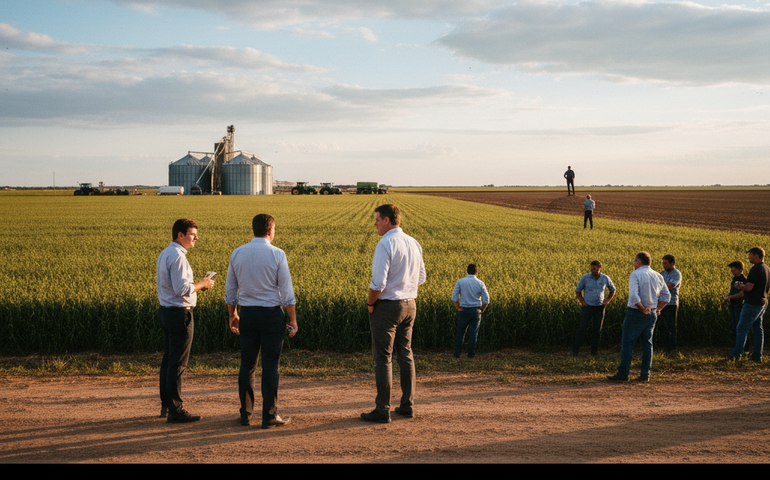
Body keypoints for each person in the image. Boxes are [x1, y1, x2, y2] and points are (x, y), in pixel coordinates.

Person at [225, 214, 298, 428]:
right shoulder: (277, 254)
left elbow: (230, 291)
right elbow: (286, 292)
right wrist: (292, 319)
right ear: (270, 230)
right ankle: (269, 416)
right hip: (272, 316)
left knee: (247, 364)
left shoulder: (237, 253)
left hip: (247, 315)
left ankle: (246, 414)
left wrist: (233, 314)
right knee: (270, 366)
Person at [362, 204, 426, 423]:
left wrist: (371, 304)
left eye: (377, 219)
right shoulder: (413, 242)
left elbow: (378, 283)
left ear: (387, 220)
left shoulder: (385, 243)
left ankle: (382, 409)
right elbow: (421, 278)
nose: (375, 223)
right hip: (410, 304)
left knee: (383, 358)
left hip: (388, 306)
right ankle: (407, 406)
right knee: (406, 354)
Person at [156, 218, 215, 423]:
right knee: (178, 363)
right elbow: (182, 290)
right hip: (180, 314)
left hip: (165, 311)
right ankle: (176, 410)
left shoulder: (165, 253)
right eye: (192, 234)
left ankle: (166, 404)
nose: (196, 238)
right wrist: (203, 284)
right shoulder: (179, 257)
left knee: (168, 360)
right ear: (180, 235)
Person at [607, 252, 670, 382]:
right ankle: (645, 375)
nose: (634, 263)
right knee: (647, 344)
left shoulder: (636, 274)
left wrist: (642, 309)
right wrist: (657, 309)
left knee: (627, 343)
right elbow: (667, 296)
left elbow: (634, 296)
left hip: (637, 312)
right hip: (652, 313)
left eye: (635, 261)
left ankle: (623, 373)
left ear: (639, 261)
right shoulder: (658, 275)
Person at [730, 247, 769, 362]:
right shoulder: (767, 268)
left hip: (752, 304)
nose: (749, 257)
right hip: (762, 302)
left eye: (750, 255)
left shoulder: (755, 269)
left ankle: (736, 355)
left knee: (741, 328)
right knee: (758, 329)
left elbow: (748, 287)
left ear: (756, 256)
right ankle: (757, 356)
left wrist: (739, 286)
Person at [572, 260, 616, 356]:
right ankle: (575, 352)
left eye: (595, 269)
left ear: (600, 268)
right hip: (587, 308)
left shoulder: (605, 278)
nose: (593, 270)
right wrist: (583, 302)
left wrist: (608, 299)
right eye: (592, 268)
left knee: (597, 331)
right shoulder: (585, 278)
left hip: (600, 308)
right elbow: (578, 291)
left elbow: (613, 289)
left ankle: (594, 353)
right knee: (582, 329)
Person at [452, 264, 490, 359]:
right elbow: (486, 299)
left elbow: (454, 297)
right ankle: (471, 355)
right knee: (473, 334)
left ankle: (457, 355)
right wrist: (482, 309)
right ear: (476, 272)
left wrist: (457, 307)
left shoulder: (460, 282)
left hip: (463, 310)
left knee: (460, 333)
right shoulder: (480, 283)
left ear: (467, 271)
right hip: (476, 310)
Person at [658, 254, 682, 353]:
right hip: (660, 303)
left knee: (670, 326)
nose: (664, 265)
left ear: (673, 263)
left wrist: (658, 288)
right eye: (663, 263)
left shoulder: (676, 274)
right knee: (659, 325)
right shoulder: (661, 273)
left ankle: (671, 348)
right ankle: (660, 346)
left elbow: (670, 286)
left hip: (671, 303)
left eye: (666, 263)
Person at [722, 261, 746, 332]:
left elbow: (742, 294)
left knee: (740, 327)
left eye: (734, 270)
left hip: (740, 306)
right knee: (735, 326)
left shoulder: (744, 280)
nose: (732, 272)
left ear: (741, 270)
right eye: (731, 271)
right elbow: (732, 291)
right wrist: (726, 298)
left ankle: (745, 343)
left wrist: (729, 297)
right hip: (732, 305)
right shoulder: (734, 279)